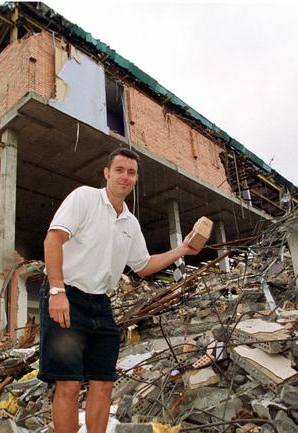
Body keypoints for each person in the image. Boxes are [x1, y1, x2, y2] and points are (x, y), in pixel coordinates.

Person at [40, 147, 202, 433]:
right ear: (106, 173)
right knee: (68, 382)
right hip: (67, 295)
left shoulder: (130, 222)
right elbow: (54, 238)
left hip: (100, 304)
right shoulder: (85, 198)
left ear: (136, 179)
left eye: (131, 173)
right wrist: (56, 291)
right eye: (119, 170)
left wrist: (183, 249)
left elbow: (144, 265)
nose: (125, 177)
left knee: (103, 383)